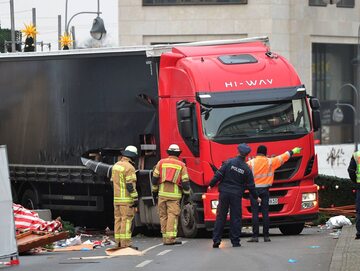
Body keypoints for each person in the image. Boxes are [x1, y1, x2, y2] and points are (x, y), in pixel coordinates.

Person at [208, 143, 261, 248]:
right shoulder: (246, 169)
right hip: (236, 195)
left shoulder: (229, 162)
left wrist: (211, 184)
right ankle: (235, 241)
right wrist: (256, 197)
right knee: (236, 218)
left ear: (238, 152)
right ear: (246, 155)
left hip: (224, 193)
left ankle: (216, 240)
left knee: (221, 216)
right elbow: (251, 186)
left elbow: (219, 174)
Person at [247, 145, 301, 242]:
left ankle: (255, 236)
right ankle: (266, 236)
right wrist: (293, 151)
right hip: (265, 190)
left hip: (254, 191)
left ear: (257, 153)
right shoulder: (270, 162)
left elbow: (242, 169)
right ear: (265, 153)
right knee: (265, 213)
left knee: (255, 213)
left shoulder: (251, 163)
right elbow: (283, 157)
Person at [151, 144, 191, 245]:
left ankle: (165, 238)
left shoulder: (161, 163)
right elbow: (185, 182)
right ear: (178, 154)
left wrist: (154, 192)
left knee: (163, 216)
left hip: (162, 194)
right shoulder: (181, 165)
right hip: (174, 196)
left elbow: (154, 179)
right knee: (172, 215)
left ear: (168, 152)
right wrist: (186, 195)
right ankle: (171, 238)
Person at [110, 145, 139, 249]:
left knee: (117, 220)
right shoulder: (129, 167)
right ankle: (125, 244)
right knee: (126, 221)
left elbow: (112, 182)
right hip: (126, 200)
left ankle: (117, 243)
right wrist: (135, 198)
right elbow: (130, 185)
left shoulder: (116, 165)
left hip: (116, 199)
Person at [347, 150, 360, 240]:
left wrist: (355, 181)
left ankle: (359, 232)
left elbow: (351, 170)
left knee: (359, 210)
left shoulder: (357, 155)